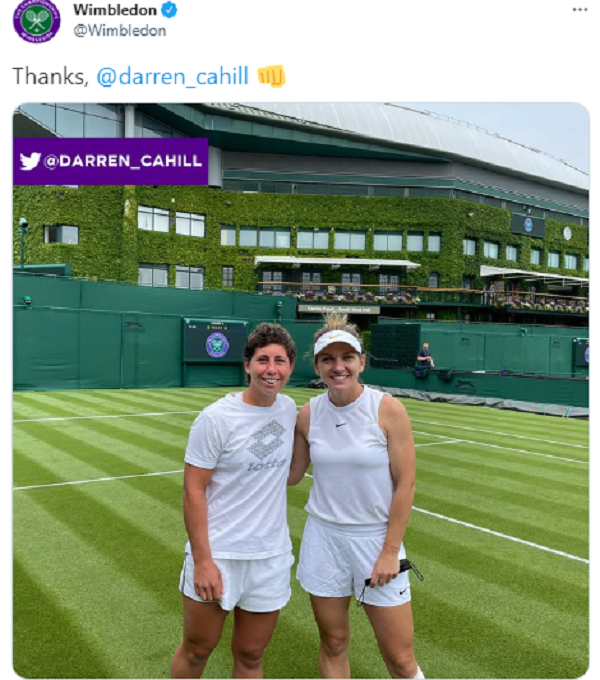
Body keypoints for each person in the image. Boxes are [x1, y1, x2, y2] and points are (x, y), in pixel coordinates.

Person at [289, 314, 424, 680]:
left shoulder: (388, 409)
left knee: (400, 659)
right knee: (333, 642)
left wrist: (390, 552)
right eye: (328, 359)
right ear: (316, 365)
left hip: (375, 541)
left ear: (361, 362)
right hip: (323, 538)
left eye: (347, 358)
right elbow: (291, 475)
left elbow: (405, 485)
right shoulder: (308, 413)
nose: (338, 367)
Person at [171, 323, 297, 679]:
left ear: (289, 366)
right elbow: (193, 490)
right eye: (262, 360)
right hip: (220, 555)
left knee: (251, 654)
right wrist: (203, 561)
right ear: (247, 365)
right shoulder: (215, 419)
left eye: (280, 361)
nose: (271, 369)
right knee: (197, 651)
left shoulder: (289, 410)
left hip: (269, 558)